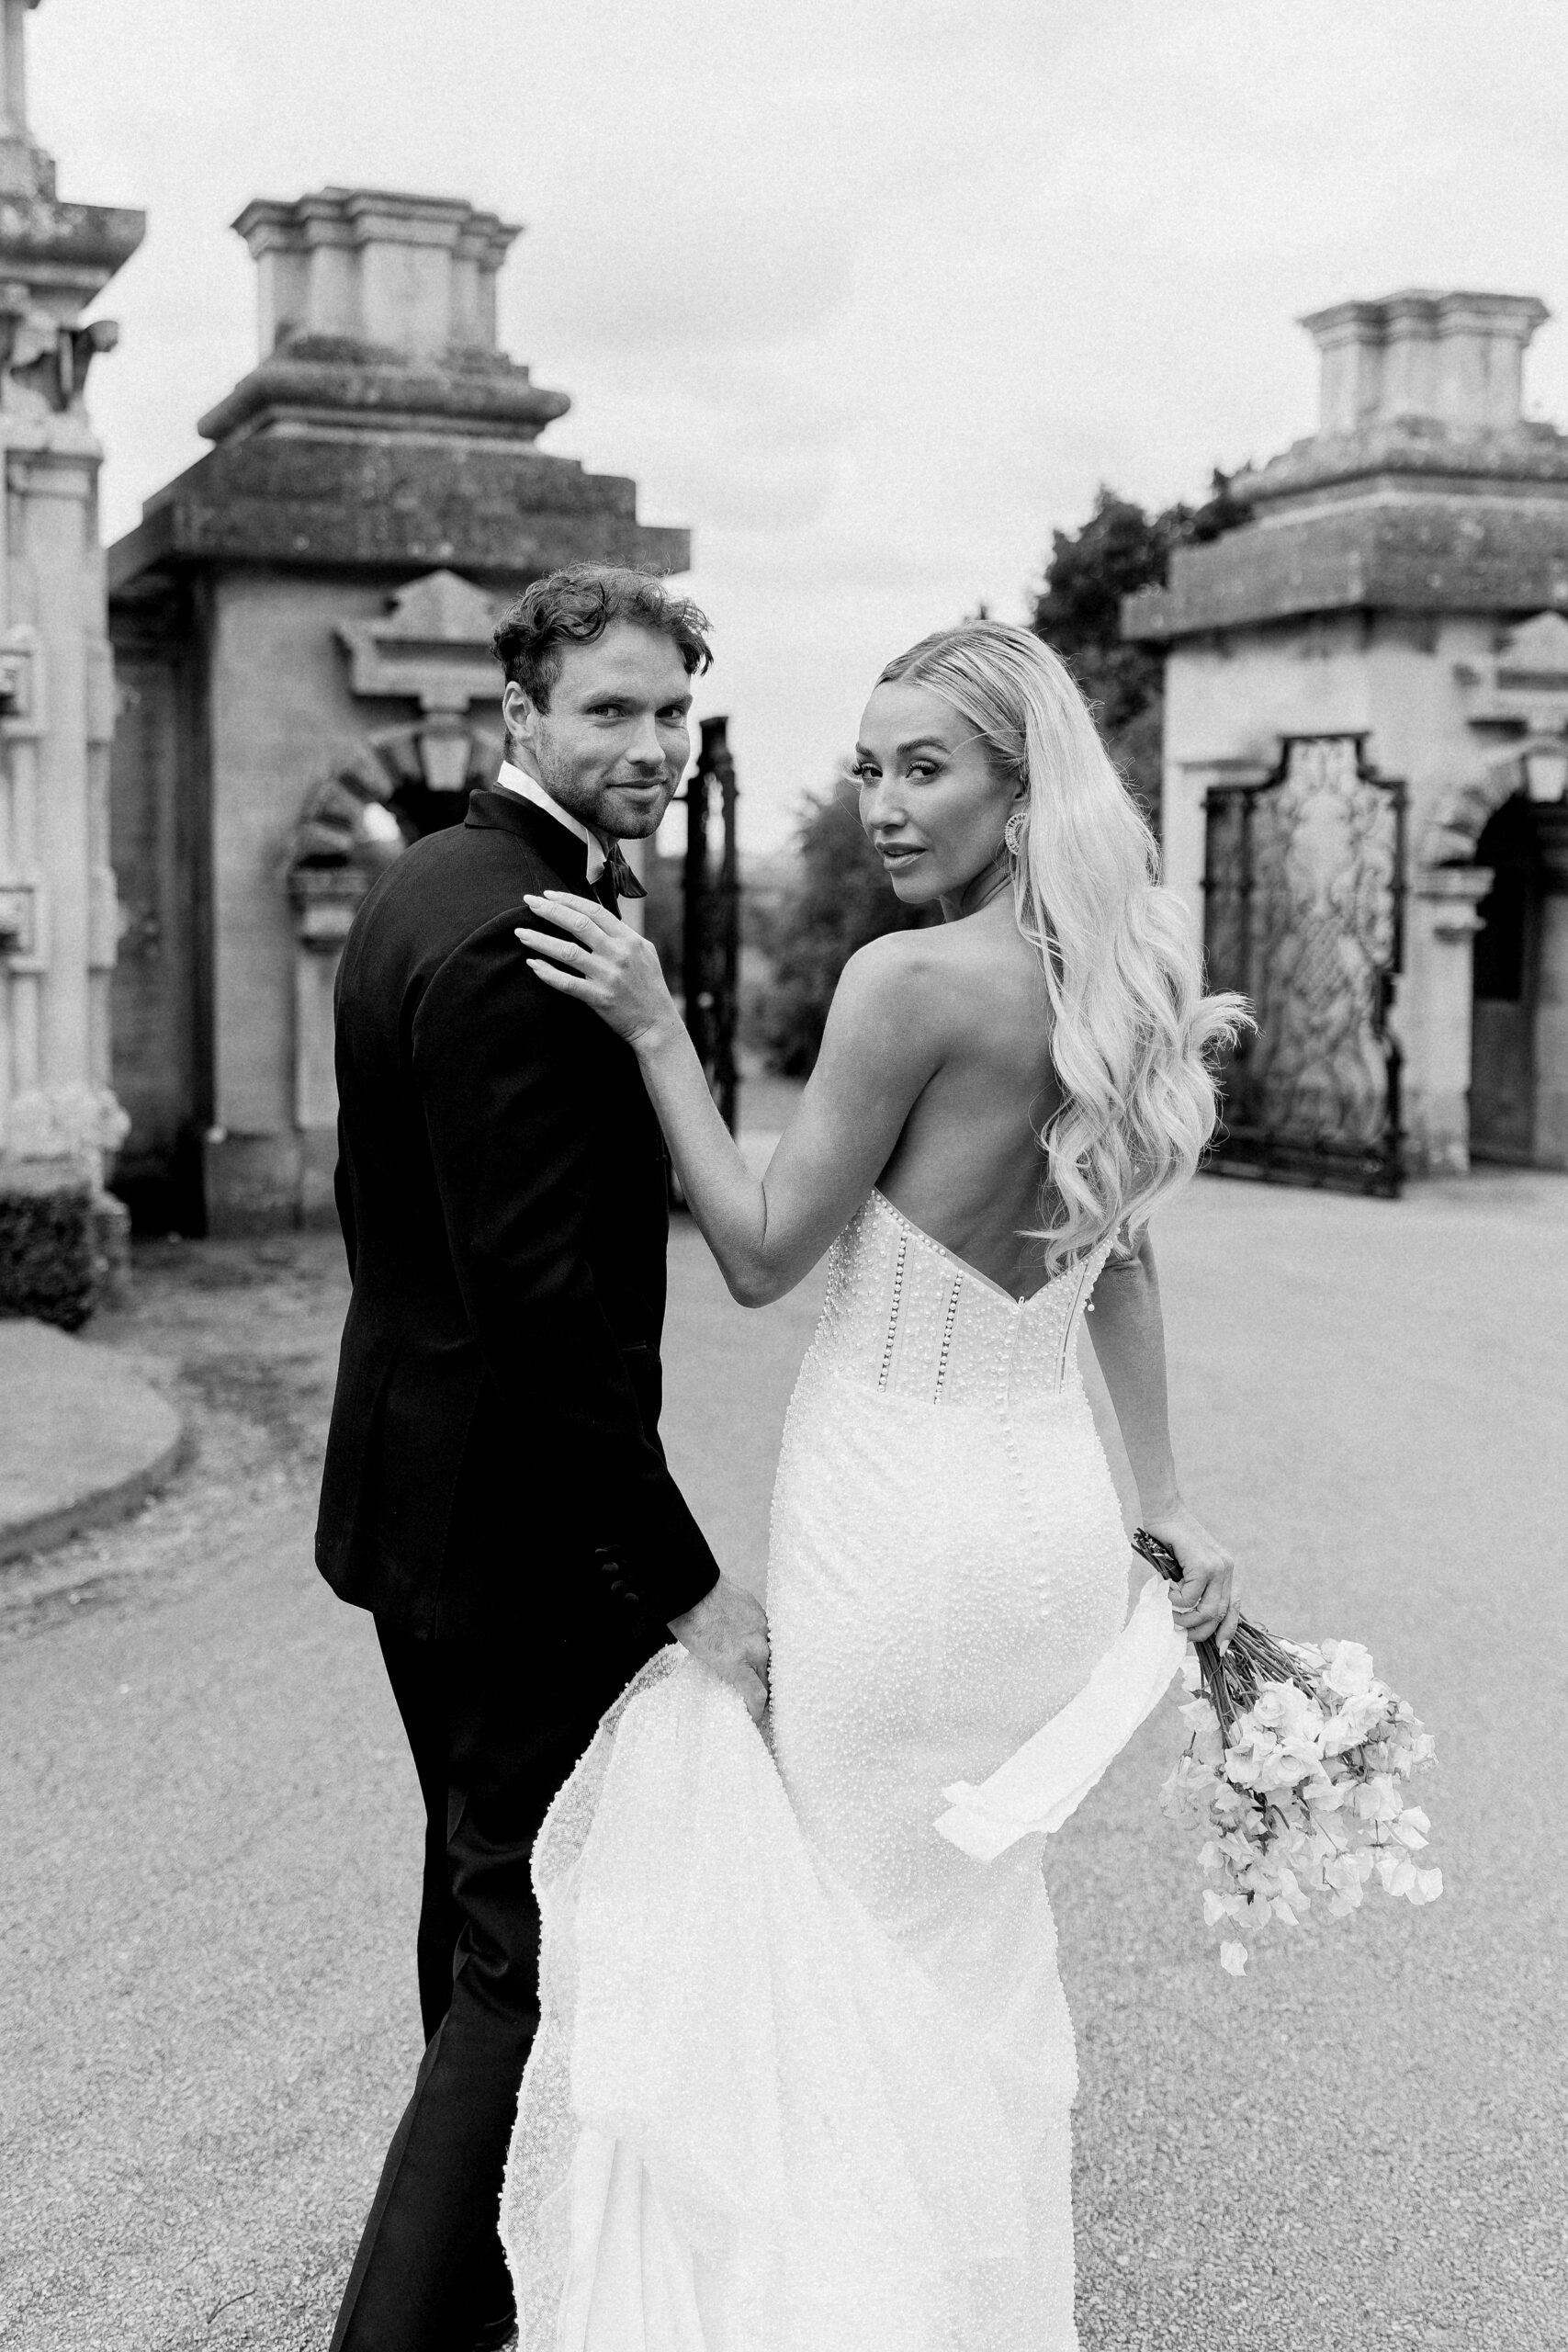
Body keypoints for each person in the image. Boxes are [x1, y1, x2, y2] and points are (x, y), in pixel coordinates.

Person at [503, 617, 1245, 2350]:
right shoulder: (1124, 981)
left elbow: (763, 1252)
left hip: (892, 1534)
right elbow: (1124, 1265)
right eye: (868, 768)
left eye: (927, 768)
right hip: (1049, 1535)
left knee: (839, 1924)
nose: (886, 805)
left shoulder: (909, 983)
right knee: (963, 1931)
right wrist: (1168, 1498)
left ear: (1022, 787)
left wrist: (658, 1033)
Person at [316, 565, 769, 2352]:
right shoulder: (525, 939)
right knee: (537, 1940)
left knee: (477, 1885)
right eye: (611, 710)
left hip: (414, 1499)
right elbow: (542, 1317)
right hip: (515, 1530)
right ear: (521, 714)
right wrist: (680, 1578)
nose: (651, 745)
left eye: (672, 712)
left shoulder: (434, 877)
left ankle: (492, 2282)